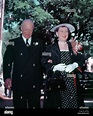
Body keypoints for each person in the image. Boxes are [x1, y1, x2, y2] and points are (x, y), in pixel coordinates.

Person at [3, 19, 45, 108]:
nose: (28, 32)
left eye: (31, 29)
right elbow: (7, 62)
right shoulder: (13, 43)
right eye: (26, 29)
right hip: (19, 83)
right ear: (21, 29)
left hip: (35, 83)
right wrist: (7, 78)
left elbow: (44, 60)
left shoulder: (40, 43)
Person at [41, 23, 85, 109]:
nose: (64, 33)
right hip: (56, 82)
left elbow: (82, 59)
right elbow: (43, 60)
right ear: (56, 33)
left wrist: (75, 64)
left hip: (72, 82)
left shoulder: (73, 47)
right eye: (61, 31)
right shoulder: (50, 48)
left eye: (66, 31)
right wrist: (54, 67)